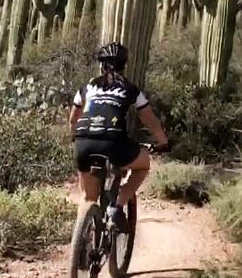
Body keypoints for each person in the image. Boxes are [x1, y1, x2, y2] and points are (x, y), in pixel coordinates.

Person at [69, 41, 170, 230]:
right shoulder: (131, 90)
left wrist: (76, 139)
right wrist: (163, 142)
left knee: (88, 198)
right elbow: (151, 121)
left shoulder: (85, 88)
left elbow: (73, 120)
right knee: (143, 164)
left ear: (101, 65)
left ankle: (83, 243)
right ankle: (118, 204)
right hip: (113, 143)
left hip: (84, 142)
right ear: (124, 66)